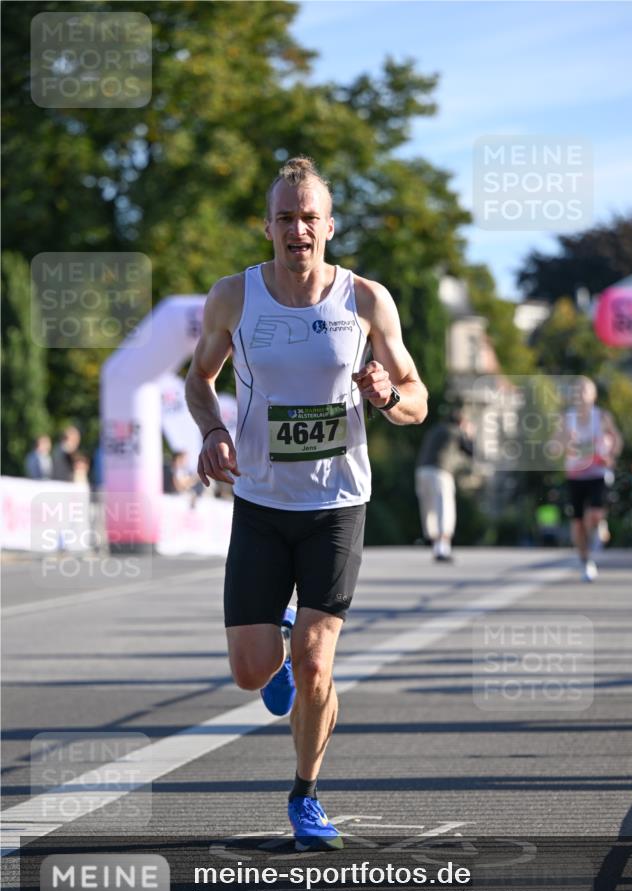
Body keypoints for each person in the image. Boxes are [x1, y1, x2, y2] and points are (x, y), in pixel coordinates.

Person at [185, 156, 427, 850]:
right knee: (249, 672)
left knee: (316, 662)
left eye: (308, 217)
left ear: (329, 225)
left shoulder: (365, 300)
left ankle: (305, 794)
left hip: (336, 503)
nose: (298, 229)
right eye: (284, 218)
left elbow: (416, 400)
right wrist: (211, 431)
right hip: (261, 501)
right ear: (267, 227)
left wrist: (384, 396)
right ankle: (280, 642)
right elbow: (199, 380)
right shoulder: (233, 297)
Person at [561, 377, 622, 581]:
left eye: (584, 390)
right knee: (577, 524)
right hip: (575, 475)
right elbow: (554, 444)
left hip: (597, 473)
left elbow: (617, 440)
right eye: (576, 391)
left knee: (594, 514)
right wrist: (563, 444)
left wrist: (610, 456)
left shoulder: (602, 416)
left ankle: (598, 526)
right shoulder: (567, 418)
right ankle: (586, 562)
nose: (580, 394)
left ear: (593, 394)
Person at [415, 406, 473, 561]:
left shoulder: (435, 430)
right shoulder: (455, 430)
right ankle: (442, 547)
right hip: (440, 471)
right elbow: (470, 450)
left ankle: (435, 545)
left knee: (429, 509)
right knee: (444, 508)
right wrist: (469, 434)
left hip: (421, 471)